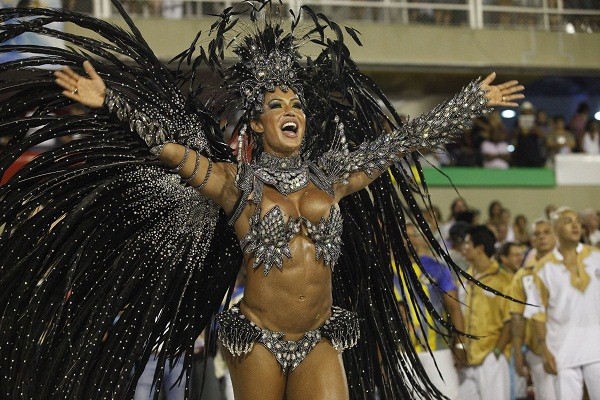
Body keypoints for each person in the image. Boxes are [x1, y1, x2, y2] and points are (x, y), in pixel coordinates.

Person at [0, 1, 524, 399]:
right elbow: (170, 150)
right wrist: (109, 100)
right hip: (257, 334)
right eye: (277, 104)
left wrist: (472, 100)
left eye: (296, 103)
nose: (290, 110)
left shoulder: (333, 176)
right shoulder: (236, 184)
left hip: (320, 332)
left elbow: (403, 142)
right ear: (258, 122)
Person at [531, 207, 600, 400]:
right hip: (562, 352)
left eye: (577, 220)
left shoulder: (597, 257)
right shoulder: (543, 268)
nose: (576, 225)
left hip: (597, 348)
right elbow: (538, 314)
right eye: (568, 221)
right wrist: (545, 351)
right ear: (555, 228)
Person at [396, 223, 466, 400]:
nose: (410, 240)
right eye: (405, 236)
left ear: (423, 239)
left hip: (438, 349)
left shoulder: (438, 268)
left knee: (448, 396)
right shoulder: (388, 271)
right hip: (404, 352)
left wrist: (459, 344)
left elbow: (454, 307)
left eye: (414, 235)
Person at [458, 225, 513, 400]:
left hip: (491, 357)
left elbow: (511, 320)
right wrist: (460, 347)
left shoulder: (503, 280)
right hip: (468, 358)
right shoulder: (465, 279)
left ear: (480, 248)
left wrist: (497, 352)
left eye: (467, 243)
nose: (463, 248)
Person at [508, 219, 557, 400]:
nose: (542, 237)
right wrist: (518, 353)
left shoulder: (571, 267)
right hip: (538, 350)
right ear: (532, 240)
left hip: (570, 345)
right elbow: (517, 316)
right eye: (537, 234)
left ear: (556, 236)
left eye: (547, 232)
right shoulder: (523, 275)